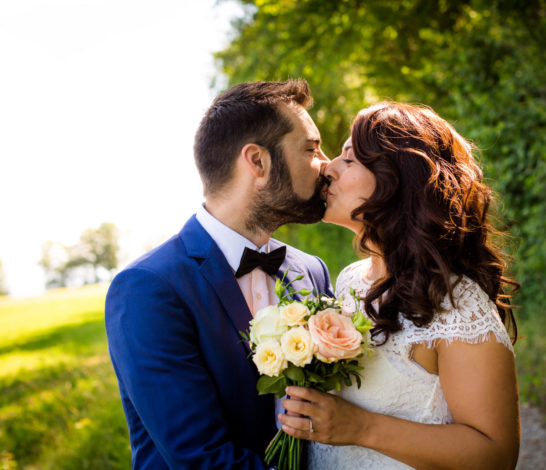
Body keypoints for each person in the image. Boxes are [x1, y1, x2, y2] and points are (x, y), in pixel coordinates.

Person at [105, 79, 333, 469]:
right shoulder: (149, 288)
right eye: (311, 149)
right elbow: (202, 459)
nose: (326, 163)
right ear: (257, 162)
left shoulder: (310, 270)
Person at [279, 102, 521, 469]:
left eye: (348, 159)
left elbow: (495, 454)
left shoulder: (457, 303)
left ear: (397, 178)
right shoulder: (350, 280)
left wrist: (361, 428)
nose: (327, 167)